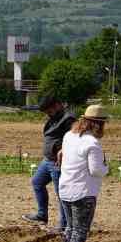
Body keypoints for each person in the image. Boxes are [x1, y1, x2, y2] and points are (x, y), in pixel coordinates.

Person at [56, 105, 110, 242]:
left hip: (65, 188)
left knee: (70, 228)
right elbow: (95, 170)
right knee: (80, 230)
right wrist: (107, 168)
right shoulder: (92, 143)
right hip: (84, 192)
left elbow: (63, 156)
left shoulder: (68, 136)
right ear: (98, 124)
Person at [24, 95, 75, 229]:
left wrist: (63, 150)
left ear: (57, 105)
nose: (47, 114)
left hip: (58, 163)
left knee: (61, 194)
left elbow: (74, 139)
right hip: (47, 160)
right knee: (37, 182)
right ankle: (42, 214)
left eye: (49, 111)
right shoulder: (54, 119)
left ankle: (64, 225)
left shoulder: (68, 120)